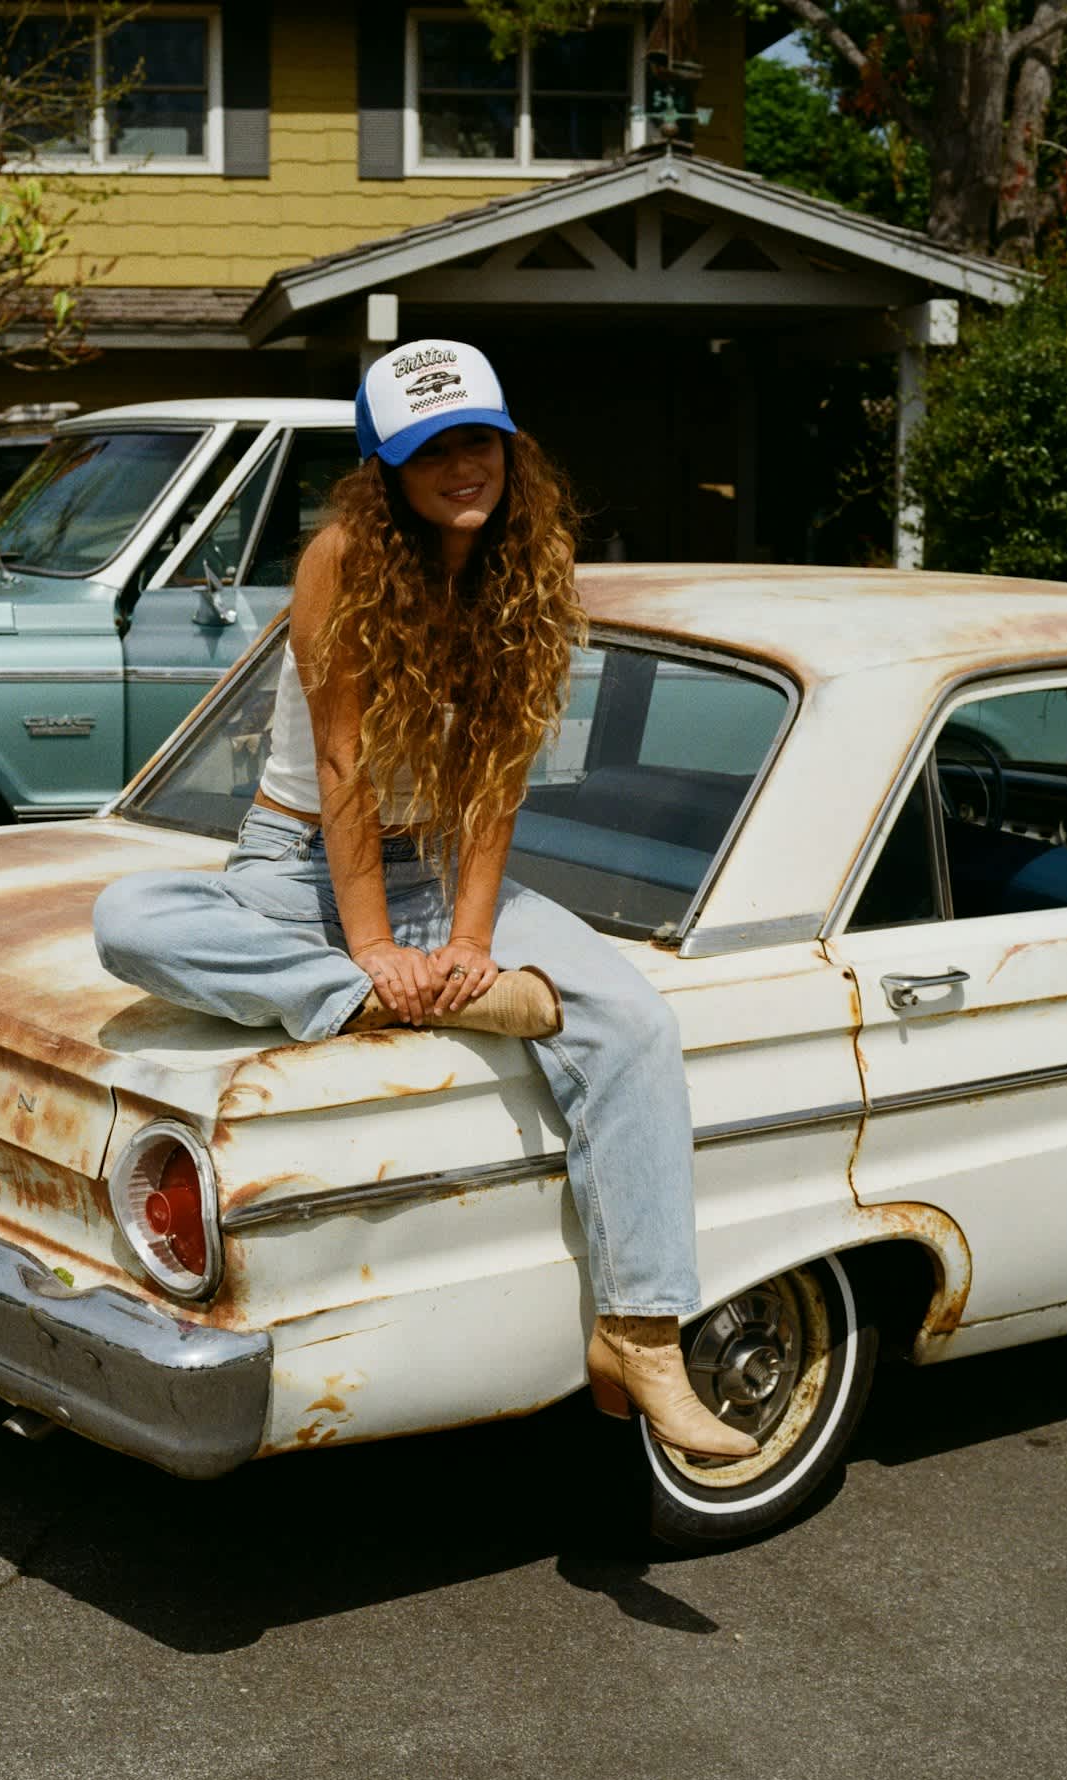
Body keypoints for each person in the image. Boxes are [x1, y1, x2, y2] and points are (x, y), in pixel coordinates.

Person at [93, 339, 757, 1464]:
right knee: (131, 920)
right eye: (430, 449)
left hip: (442, 870)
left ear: (510, 446)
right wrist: (371, 956)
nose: (461, 467)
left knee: (635, 1023)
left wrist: (467, 938)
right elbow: (343, 767)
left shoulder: (530, 563)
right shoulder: (342, 559)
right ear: (385, 469)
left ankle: (643, 1333)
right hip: (297, 866)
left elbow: (500, 774)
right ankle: (367, 1000)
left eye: (477, 441)